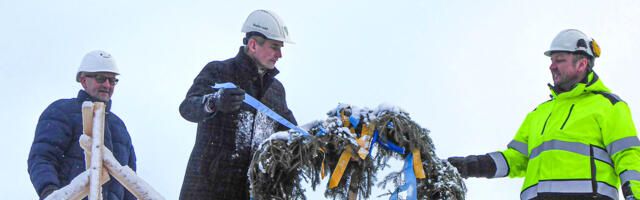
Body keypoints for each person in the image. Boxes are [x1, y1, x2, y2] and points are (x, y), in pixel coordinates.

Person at [447, 29, 640, 200]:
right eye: (551, 61)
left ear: (581, 64)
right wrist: (472, 165)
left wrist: (635, 195)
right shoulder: (538, 114)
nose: (552, 66)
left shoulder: (608, 105)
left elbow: (628, 156)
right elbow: (516, 159)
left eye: (559, 60)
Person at [178, 10, 297, 199]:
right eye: (274, 47)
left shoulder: (276, 91)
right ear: (253, 45)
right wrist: (213, 102)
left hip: (251, 192)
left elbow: (292, 133)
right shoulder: (219, 71)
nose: (280, 54)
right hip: (207, 190)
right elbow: (187, 108)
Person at [27, 50, 137, 200]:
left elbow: (129, 182)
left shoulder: (119, 128)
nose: (107, 85)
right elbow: (42, 158)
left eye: (112, 81)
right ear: (84, 81)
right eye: (101, 78)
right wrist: (51, 192)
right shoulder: (62, 112)